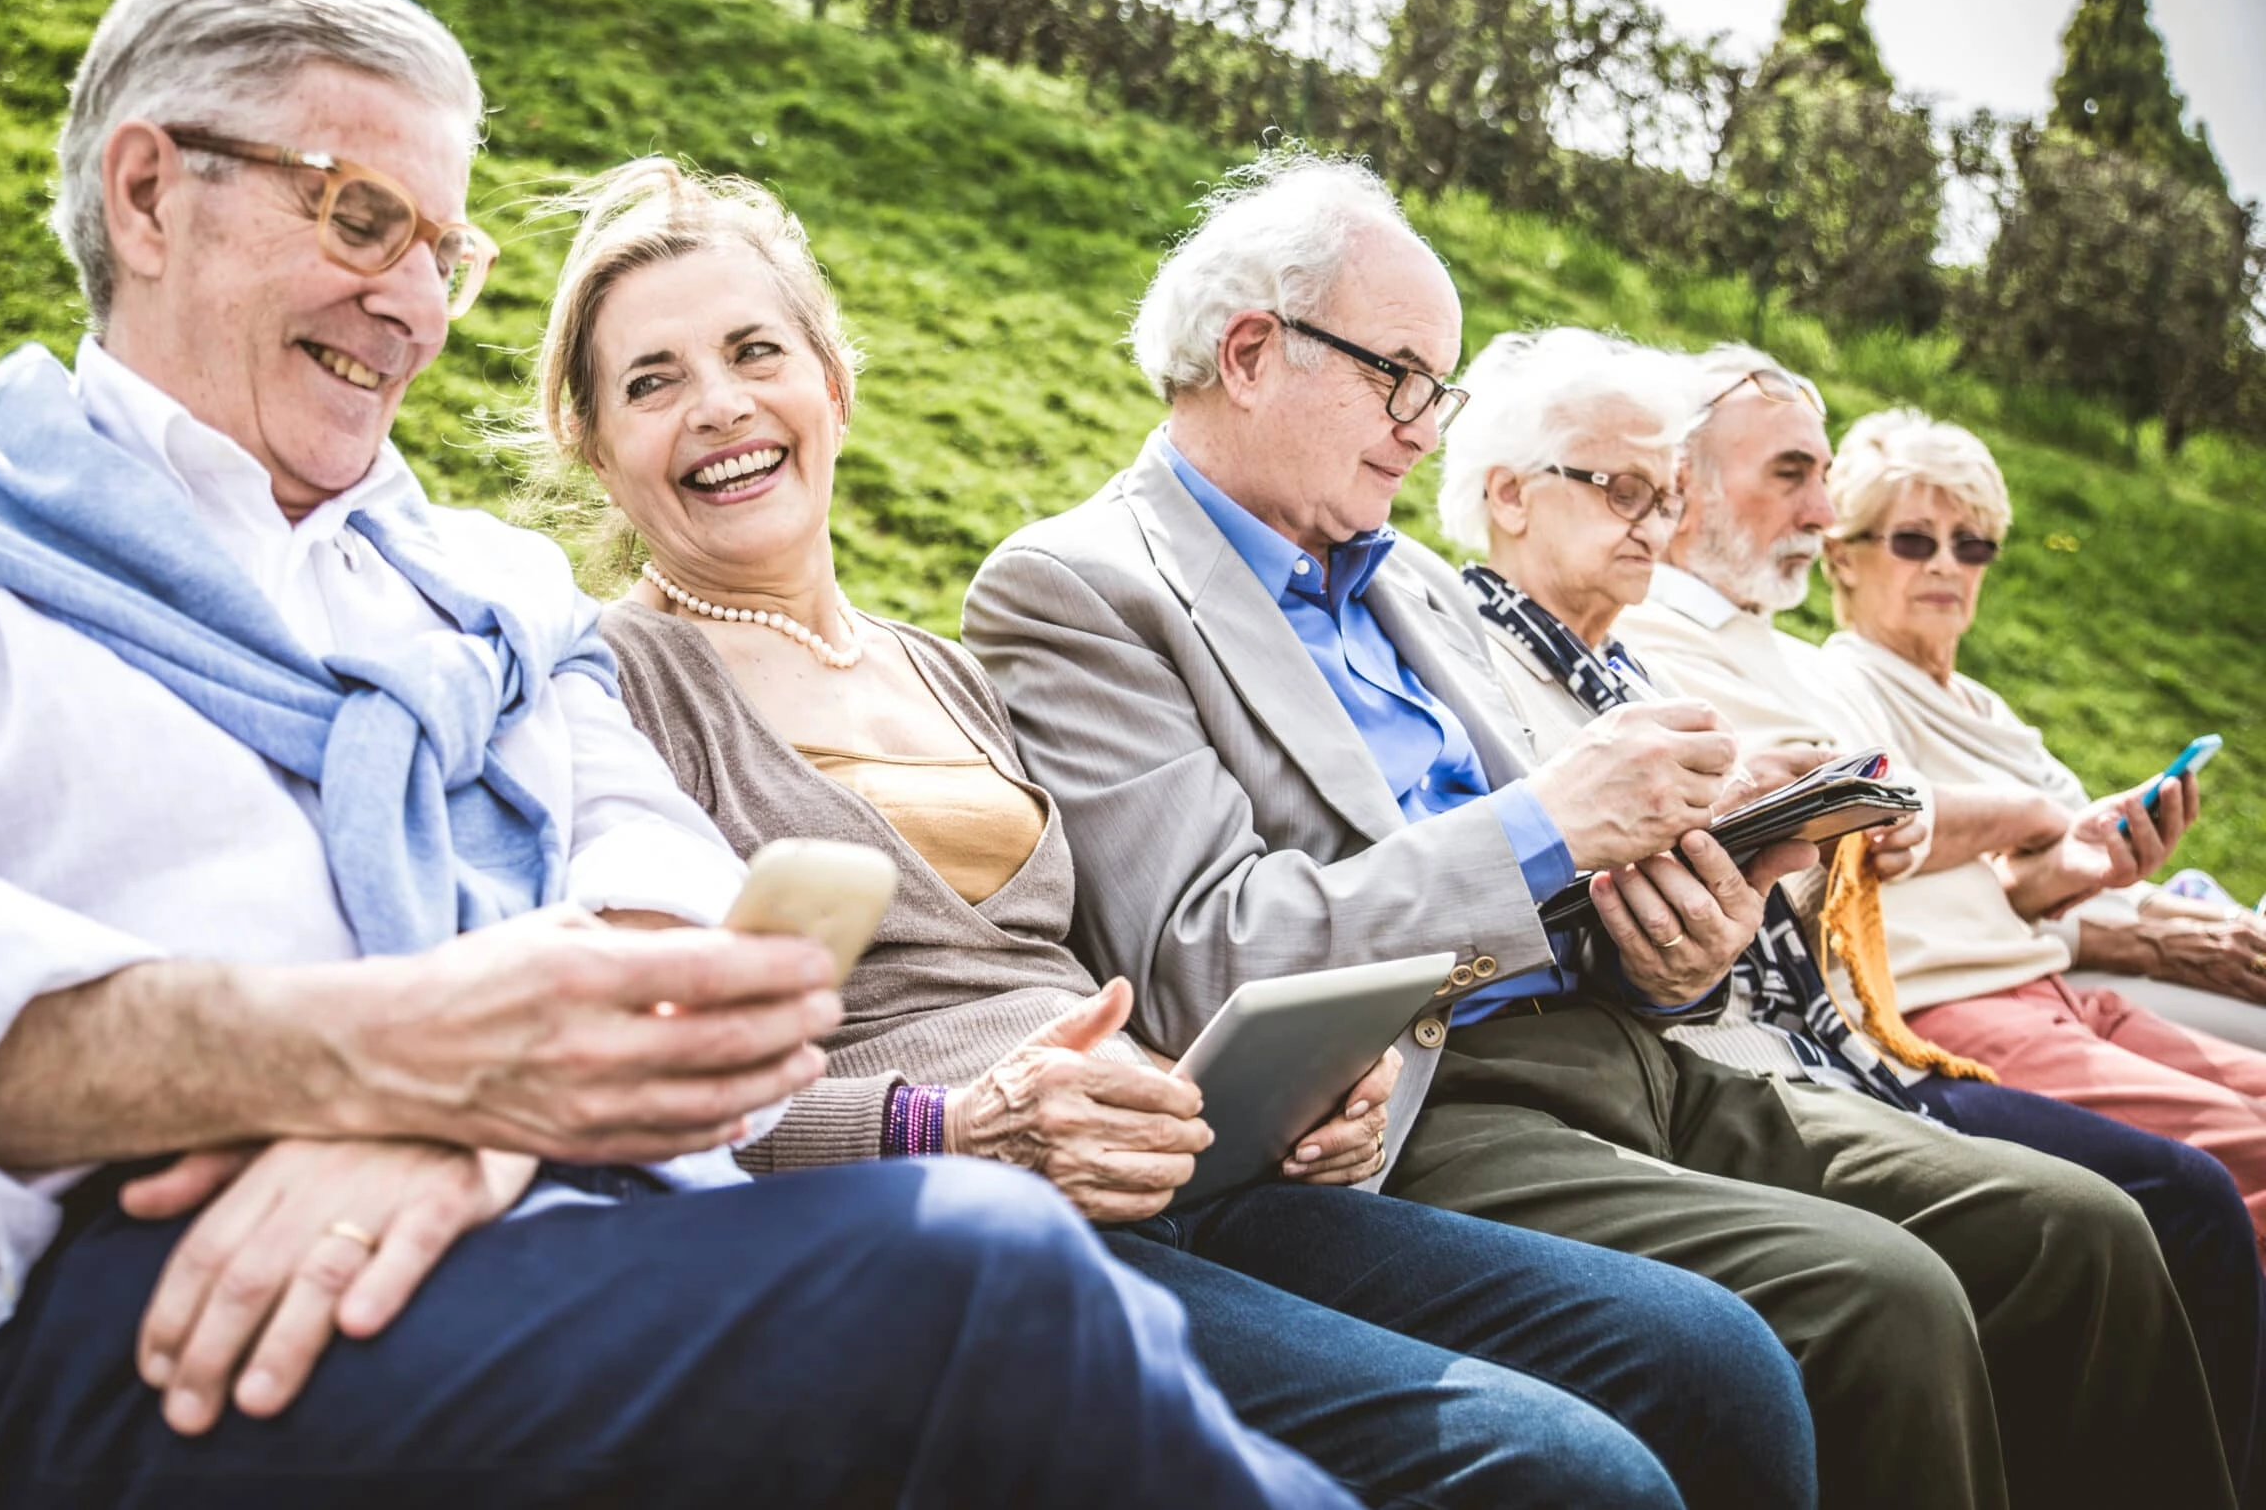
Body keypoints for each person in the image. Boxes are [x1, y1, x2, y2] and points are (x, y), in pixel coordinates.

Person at [0, 0, 1354, 1510]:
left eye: (446, 250)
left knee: (1038, 1307)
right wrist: (407, 1066)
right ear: (147, 191)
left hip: (534, 1229)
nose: (411, 302)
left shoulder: (480, 589)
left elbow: (664, 888)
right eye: (363, 217)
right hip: (113, 1319)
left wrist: (468, 1126)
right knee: (982, 1278)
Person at [530, 156, 1815, 1510]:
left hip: (1174, 1173)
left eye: (753, 351)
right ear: (597, 444)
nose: (721, 405)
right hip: (952, 1212)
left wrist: (1298, 1090)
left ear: (832, 382)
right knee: (1556, 1472)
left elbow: (1127, 966)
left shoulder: (943, 668)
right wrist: (950, 1123)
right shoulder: (615, 687)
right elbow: (633, 1103)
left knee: (1713, 1360)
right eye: (652, 382)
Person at [964, 146, 2236, 1510]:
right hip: (1426, 1098)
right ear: (1256, 351)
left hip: (1642, 1049)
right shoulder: (1083, 589)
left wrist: (1687, 924)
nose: (1424, 424)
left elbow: (1588, 886)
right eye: (1400, 375)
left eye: (1438, 390)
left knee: (2082, 1230)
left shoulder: (1409, 587)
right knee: (1882, 1298)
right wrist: (1550, 823)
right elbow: (1207, 951)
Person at [1441, 326, 2266, 1504]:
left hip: (1793, 1035)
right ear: (1507, 497)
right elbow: (1504, 894)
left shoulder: (1632, 664)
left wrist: (1793, 838)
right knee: (2033, 1243)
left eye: (1663, 490)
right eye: (1623, 486)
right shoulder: (1468, 649)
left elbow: (1703, 934)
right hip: (1741, 1046)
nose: (1652, 517)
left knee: (2093, 1222)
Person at [1811, 408, 2266, 1237]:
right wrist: (2040, 821)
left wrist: (2089, 867)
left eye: (1972, 543)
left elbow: (2013, 889)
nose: (1948, 564)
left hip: (2050, 985)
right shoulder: (1839, 684)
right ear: (1841, 553)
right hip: (1959, 1007)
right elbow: (1876, 833)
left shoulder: (1989, 710)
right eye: (1914, 541)